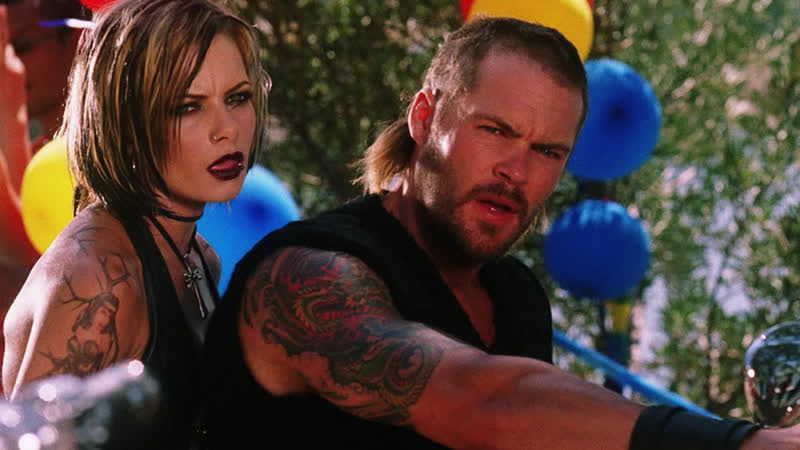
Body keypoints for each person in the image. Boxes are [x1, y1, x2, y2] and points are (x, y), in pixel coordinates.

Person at [203, 16, 800, 450]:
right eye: (495, 131)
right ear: (424, 117)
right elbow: (484, 404)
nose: (517, 171)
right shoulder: (307, 274)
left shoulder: (516, 296)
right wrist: (742, 444)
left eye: (547, 151)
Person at [2, 0, 270, 447]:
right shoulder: (99, 281)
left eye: (237, 98)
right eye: (188, 106)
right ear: (126, 123)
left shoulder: (198, 257)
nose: (226, 129)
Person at [0, 0, 86, 338]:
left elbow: (35, 264)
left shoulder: (106, 162)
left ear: (76, 41)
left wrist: (11, 111)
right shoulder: (33, 154)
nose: (11, 63)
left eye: (21, 45)